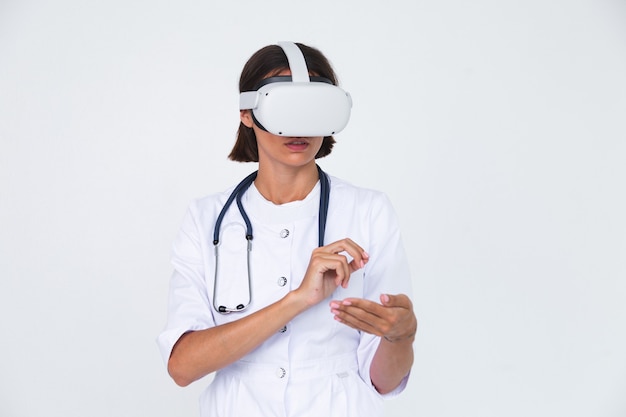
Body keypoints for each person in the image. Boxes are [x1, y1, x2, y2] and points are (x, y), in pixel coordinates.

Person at [157, 41, 417, 417]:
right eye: (283, 109)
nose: (299, 128)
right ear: (247, 113)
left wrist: (401, 336)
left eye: (313, 110)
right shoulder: (206, 219)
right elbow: (182, 366)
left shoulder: (368, 211)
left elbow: (383, 381)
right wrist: (297, 299)